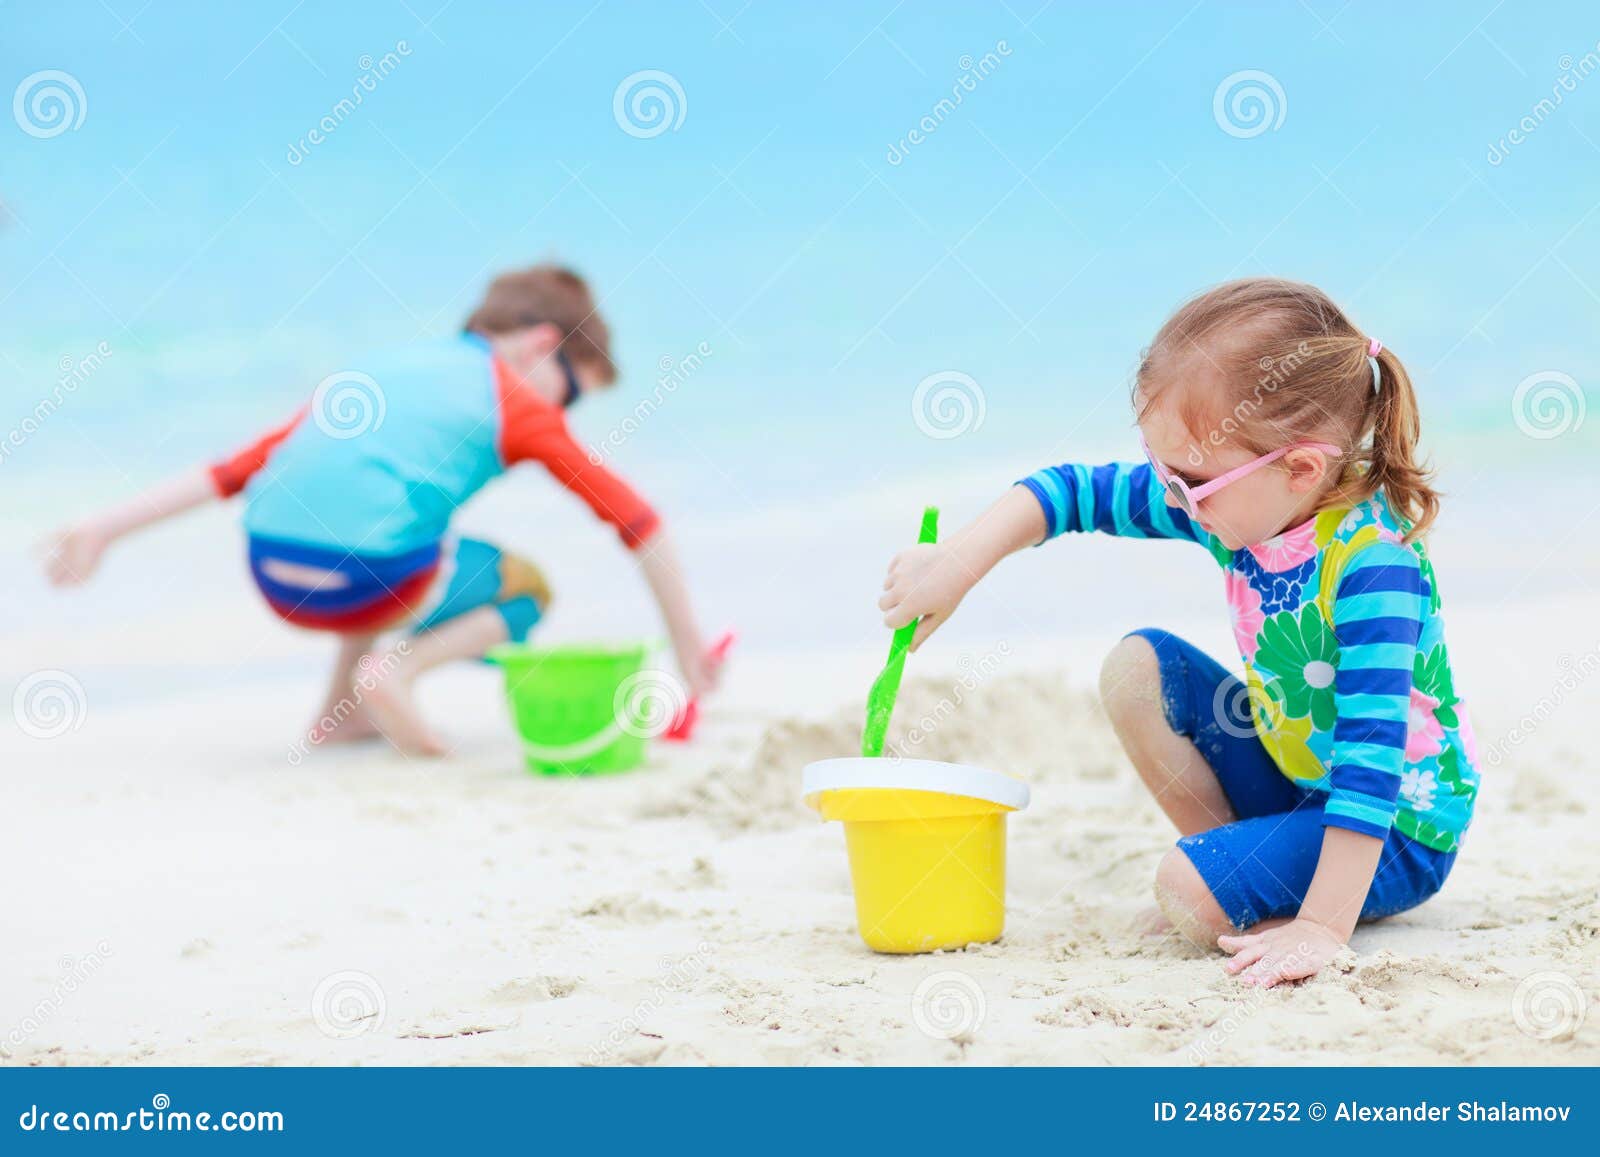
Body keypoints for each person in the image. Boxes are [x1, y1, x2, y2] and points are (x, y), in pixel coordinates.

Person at [879, 278, 1478, 987]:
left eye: (1188, 481)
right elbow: (1069, 491)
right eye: (1160, 468)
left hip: (1394, 830)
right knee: (1137, 667)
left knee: (1186, 891)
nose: (1171, 497)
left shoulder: (1372, 567)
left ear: (1301, 468)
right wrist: (955, 564)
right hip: (1302, 786)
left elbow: (1371, 763)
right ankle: (1235, 862)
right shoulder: (1246, 508)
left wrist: (1321, 927)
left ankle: (1253, 889)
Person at [45, 265, 720, 757]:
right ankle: (396, 672)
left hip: (276, 574)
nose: (562, 412)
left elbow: (233, 472)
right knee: (525, 585)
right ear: (541, 344)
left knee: (386, 513)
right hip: (370, 579)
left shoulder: (388, 367)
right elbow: (640, 524)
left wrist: (102, 527)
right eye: (571, 394)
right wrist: (690, 653)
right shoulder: (518, 404)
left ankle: (339, 715)